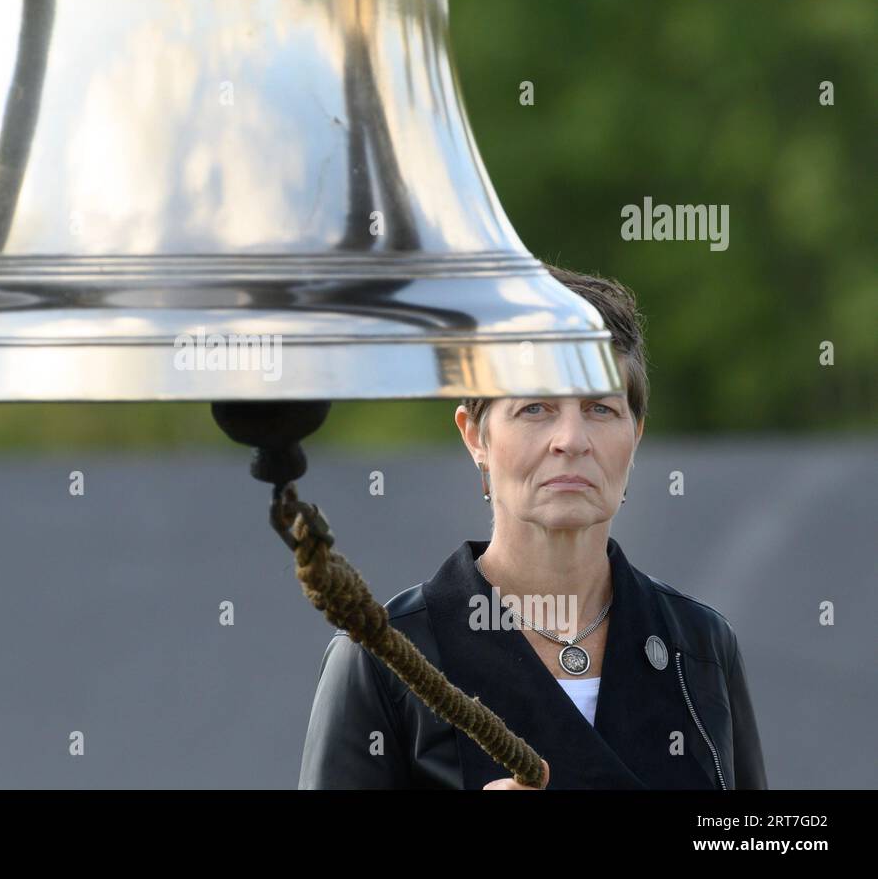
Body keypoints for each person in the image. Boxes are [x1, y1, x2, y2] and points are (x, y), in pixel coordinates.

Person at [297, 265, 767, 789]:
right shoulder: (381, 658)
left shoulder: (701, 648)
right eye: (536, 408)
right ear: (476, 435)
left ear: (635, 434)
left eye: (599, 409)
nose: (571, 439)